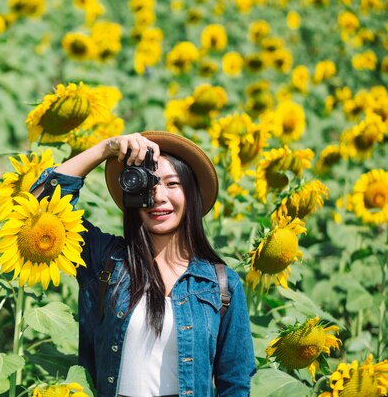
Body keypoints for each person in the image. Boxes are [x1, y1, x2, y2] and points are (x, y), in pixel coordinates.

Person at [30, 131, 256, 397]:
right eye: (146, 185)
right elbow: (40, 211)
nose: (158, 196)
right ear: (131, 195)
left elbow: (235, 382)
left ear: (191, 194)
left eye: (172, 184)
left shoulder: (220, 283)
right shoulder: (106, 261)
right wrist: (106, 148)